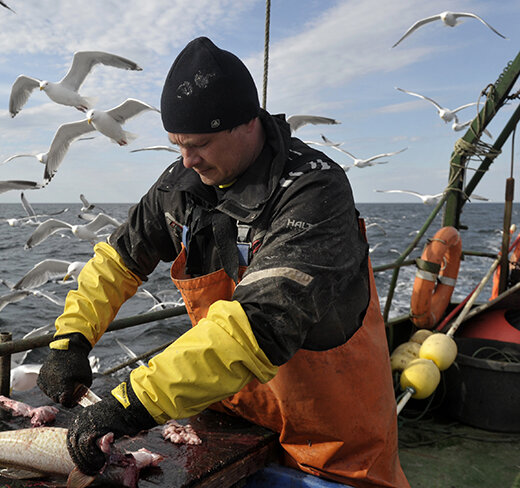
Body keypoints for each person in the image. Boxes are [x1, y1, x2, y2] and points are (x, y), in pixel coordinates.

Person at [37, 36, 409, 488]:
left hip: (330, 447)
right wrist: (71, 340)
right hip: (226, 424)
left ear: (248, 123)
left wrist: (131, 403)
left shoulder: (314, 192)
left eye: (201, 144)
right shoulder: (182, 186)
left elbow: (259, 323)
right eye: (177, 145)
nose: (187, 160)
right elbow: (119, 260)